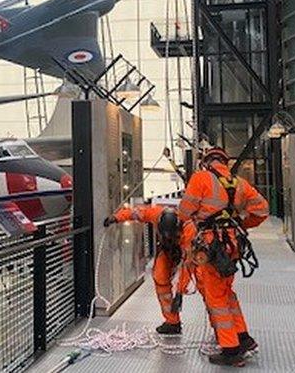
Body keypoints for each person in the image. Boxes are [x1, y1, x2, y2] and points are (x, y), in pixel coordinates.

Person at [178, 147, 269, 366]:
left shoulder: (201, 178)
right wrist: (241, 224)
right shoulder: (240, 183)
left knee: (216, 297)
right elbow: (263, 210)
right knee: (227, 292)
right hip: (233, 244)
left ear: (206, 162)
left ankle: (231, 349)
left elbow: (184, 212)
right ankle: (243, 337)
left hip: (211, 246)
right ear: (225, 162)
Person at [105, 203, 196, 334]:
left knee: (205, 285)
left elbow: (189, 262)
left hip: (186, 252)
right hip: (166, 250)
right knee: (160, 277)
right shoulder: (155, 213)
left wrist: (180, 291)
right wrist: (116, 217)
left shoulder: (189, 228)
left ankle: (224, 332)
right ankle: (172, 322)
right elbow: (134, 212)